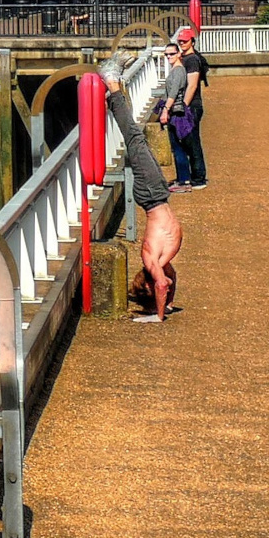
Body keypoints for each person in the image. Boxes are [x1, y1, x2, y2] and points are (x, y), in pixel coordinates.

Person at [105, 81, 180, 321]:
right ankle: (115, 91)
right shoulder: (159, 261)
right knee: (135, 140)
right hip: (155, 195)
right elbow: (166, 282)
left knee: (135, 139)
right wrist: (163, 309)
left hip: (152, 195)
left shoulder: (156, 258)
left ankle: (115, 90)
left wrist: (160, 312)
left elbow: (164, 282)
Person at [166, 31, 210, 190]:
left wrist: (183, 106)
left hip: (192, 106)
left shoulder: (191, 60)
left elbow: (192, 85)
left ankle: (199, 178)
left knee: (192, 142)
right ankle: (194, 176)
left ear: (192, 41)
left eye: (185, 41)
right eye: (180, 41)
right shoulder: (188, 59)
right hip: (190, 105)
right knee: (188, 141)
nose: (182, 43)